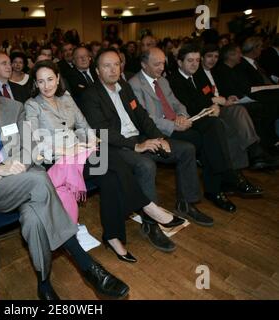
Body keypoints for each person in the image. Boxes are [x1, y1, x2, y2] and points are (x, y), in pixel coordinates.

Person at [0, 52, 129, 300]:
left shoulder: (13, 107)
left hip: (21, 174)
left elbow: (29, 148)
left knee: (33, 220)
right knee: (41, 179)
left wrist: (7, 168)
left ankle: (44, 284)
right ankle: (87, 266)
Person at [25, 60, 184, 262]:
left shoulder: (65, 97)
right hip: (60, 161)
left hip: (83, 154)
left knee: (110, 179)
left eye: (50, 79)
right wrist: (69, 149)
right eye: (40, 81)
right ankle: (147, 206)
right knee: (111, 157)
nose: (46, 85)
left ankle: (113, 237)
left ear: (58, 78)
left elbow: (83, 126)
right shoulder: (32, 105)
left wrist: (91, 142)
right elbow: (34, 145)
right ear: (36, 84)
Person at [79, 48, 213, 251]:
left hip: (139, 137)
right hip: (115, 146)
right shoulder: (90, 95)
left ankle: (186, 202)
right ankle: (151, 224)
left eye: (116, 64)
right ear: (97, 70)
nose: (113, 69)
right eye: (107, 65)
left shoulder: (123, 86)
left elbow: (142, 116)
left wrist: (158, 138)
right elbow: (102, 131)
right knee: (145, 165)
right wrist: (136, 145)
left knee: (186, 149)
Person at [130, 47, 257, 213]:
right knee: (208, 139)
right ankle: (221, 182)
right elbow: (145, 118)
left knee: (214, 125)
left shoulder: (162, 80)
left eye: (163, 63)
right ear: (144, 64)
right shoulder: (134, 84)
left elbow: (177, 104)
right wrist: (173, 125)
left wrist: (181, 115)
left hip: (180, 122)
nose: (161, 67)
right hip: (160, 130)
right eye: (157, 64)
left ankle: (220, 184)